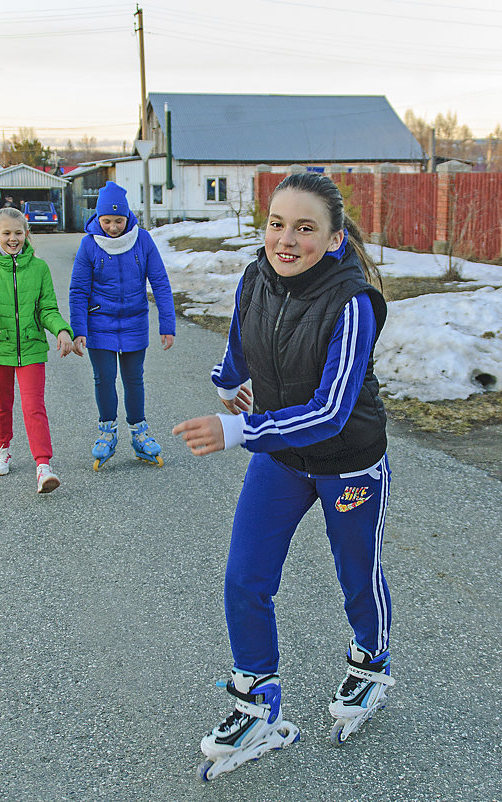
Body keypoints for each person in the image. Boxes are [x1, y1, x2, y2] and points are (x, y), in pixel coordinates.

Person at [173, 172, 394, 779]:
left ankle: (370, 662)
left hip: (348, 461)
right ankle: (257, 701)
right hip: (282, 457)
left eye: (304, 227)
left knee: (356, 571)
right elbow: (243, 339)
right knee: (245, 574)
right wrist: (226, 382)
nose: (286, 239)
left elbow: (329, 412)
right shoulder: (255, 276)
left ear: (333, 236)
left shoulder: (353, 303)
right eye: (277, 223)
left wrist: (239, 431)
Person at [69, 181, 175, 470]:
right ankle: (107, 432)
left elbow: (160, 283)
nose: (113, 227)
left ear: (128, 217)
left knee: (134, 378)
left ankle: (139, 433)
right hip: (99, 322)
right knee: (104, 378)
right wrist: (79, 330)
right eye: (107, 221)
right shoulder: (89, 243)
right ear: (97, 218)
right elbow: (78, 289)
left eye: (119, 220)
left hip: (134, 322)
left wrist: (168, 323)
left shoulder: (142, 240)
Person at [0, 207, 73, 493]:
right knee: (2, 404)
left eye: (18, 233)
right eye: (7, 233)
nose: (13, 239)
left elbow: (48, 308)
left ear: (26, 234)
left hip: (31, 346)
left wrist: (62, 330)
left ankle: (43, 466)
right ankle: (3, 447)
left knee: (33, 406)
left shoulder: (39, 268)